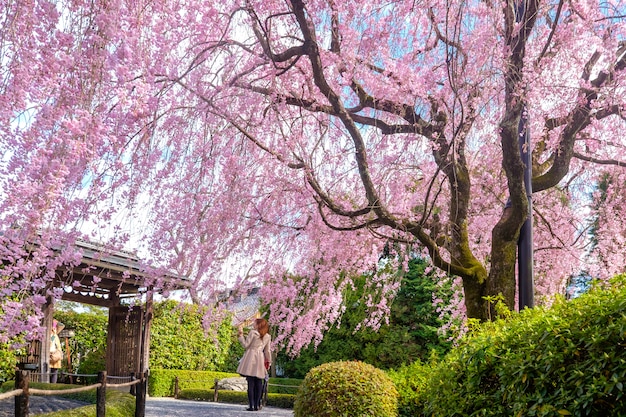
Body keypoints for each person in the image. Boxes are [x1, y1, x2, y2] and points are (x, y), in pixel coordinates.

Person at [236, 318, 271, 412]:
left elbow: (245, 345)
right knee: (259, 382)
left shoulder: (253, 333)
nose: (253, 325)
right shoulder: (267, 336)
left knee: (251, 382)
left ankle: (251, 405)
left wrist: (240, 335)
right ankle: (257, 405)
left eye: (255, 323)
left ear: (258, 325)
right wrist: (269, 361)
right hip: (260, 358)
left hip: (251, 357)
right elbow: (267, 350)